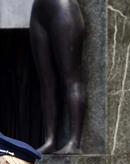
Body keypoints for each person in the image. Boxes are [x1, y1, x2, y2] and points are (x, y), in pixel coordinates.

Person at [30, 0, 86, 155]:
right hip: (38, 11)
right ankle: (50, 139)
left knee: (71, 78)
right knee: (46, 83)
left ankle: (75, 141)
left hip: (63, 8)